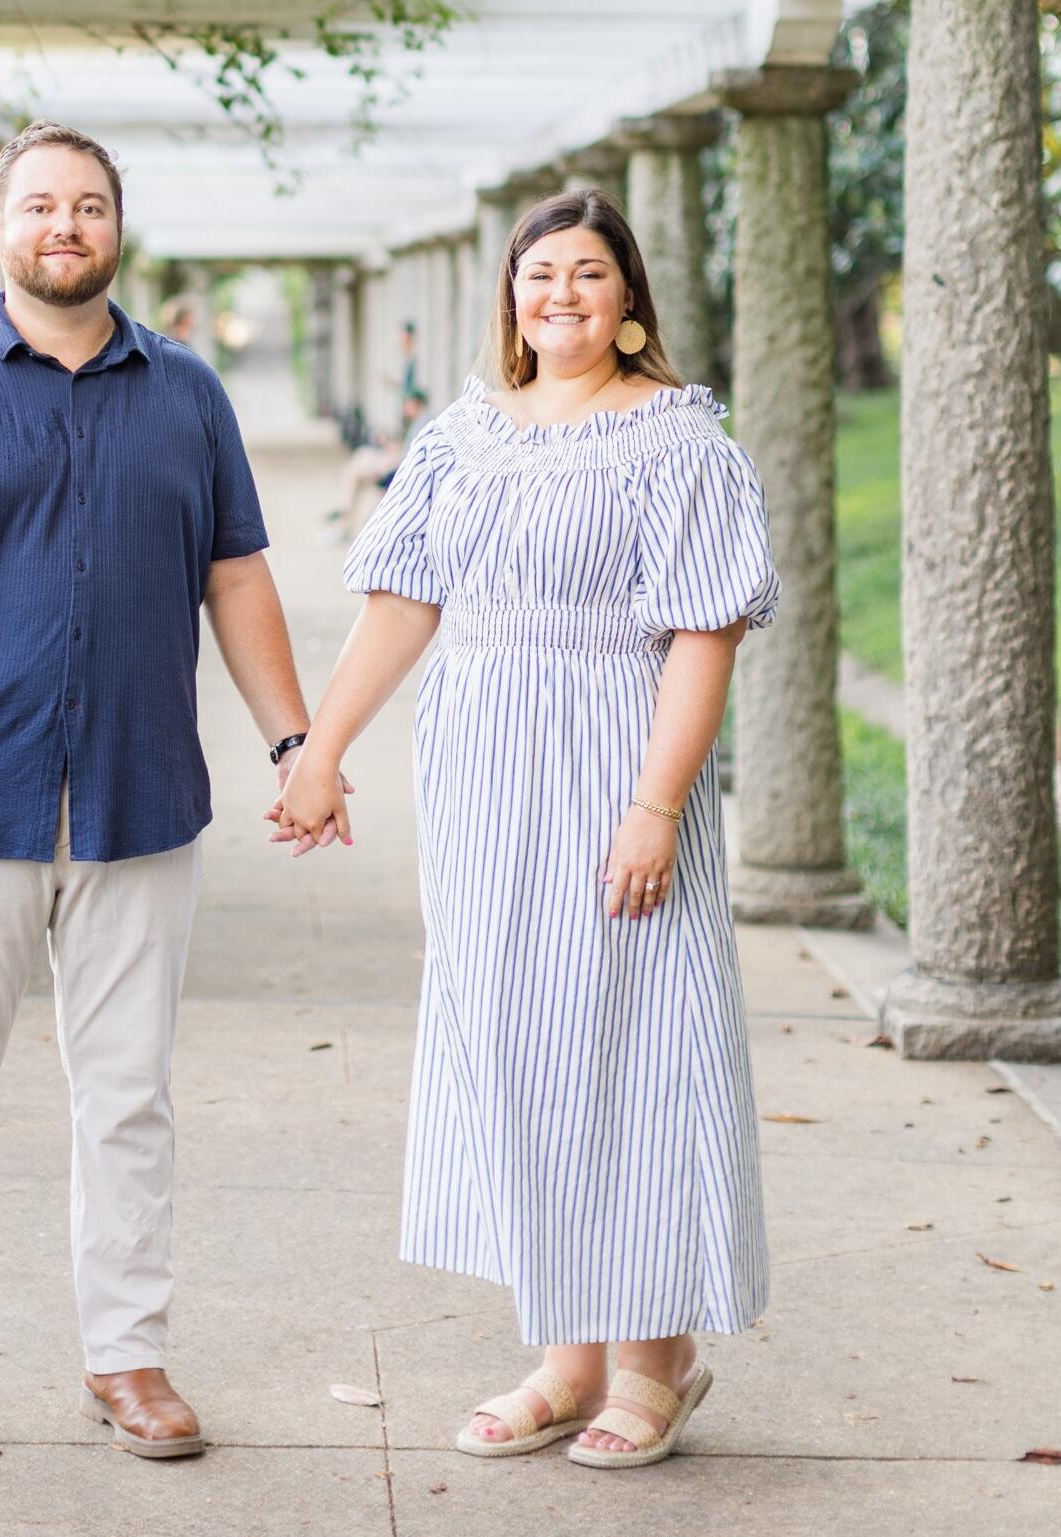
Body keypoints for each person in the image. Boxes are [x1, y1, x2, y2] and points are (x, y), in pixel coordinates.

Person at [0, 119, 330, 1465]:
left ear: (116, 228)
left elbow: (236, 576)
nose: (63, 225)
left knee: (127, 1096)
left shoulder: (189, 397)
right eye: (37, 204)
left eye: (87, 204)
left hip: (138, 799)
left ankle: (128, 1356)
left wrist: (294, 743)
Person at [271, 188, 780, 1470]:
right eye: (537, 273)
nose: (560, 293)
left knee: (633, 1043)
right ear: (510, 297)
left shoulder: (677, 441)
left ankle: (655, 1364)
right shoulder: (461, 437)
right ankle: (563, 1355)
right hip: (484, 777)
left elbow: (701, 634)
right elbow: (399, 607)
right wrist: (319, 752)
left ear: (628, 302)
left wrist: (655, 806)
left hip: (616, 762)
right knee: (510, 1037)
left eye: (588, 273)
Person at [323, 388, 429, 542]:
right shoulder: (418, 422)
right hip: (399, 462)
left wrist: (389, 447)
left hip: (400, 466)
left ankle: (343, 515)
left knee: (357, 465)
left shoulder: (423, 422)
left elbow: (411, 452)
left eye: (408, 403)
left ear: (416, 404)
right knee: (359, 462)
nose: (404, 407)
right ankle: (344, 518)